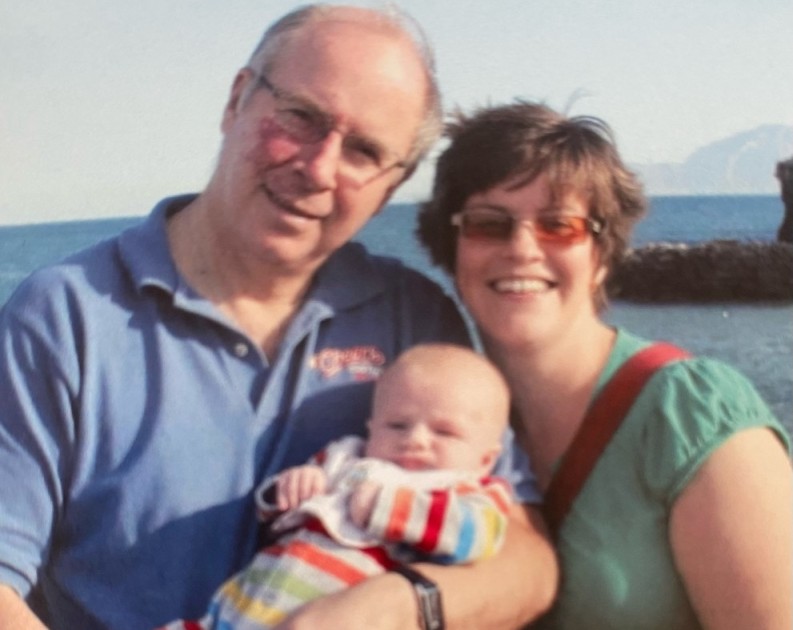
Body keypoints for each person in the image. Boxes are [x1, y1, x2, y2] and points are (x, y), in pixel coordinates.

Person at [0, 6, 557, 630]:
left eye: (365, 151)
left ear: (389, 187)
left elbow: (528, 563)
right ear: (237, 100)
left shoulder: (415, 323)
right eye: (300, 117)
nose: (319, 168)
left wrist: (394, 607)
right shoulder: (66, 315)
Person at [417, 101, 793, 629]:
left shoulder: (690, 415)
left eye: (559, 225)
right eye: (488, 225)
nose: (523, 248)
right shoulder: (435, 418)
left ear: (601, 257)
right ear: (450, 248)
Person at [162, 343, 514, 629]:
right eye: (397, 425)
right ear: (372, 426)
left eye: (445, 432)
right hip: (241, 605)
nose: (416, 440)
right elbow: (268, 510)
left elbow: (478, 538)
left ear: (486, 459)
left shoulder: (466, 491)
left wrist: (391, 508)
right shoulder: (344, 458)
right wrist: (291, 487)